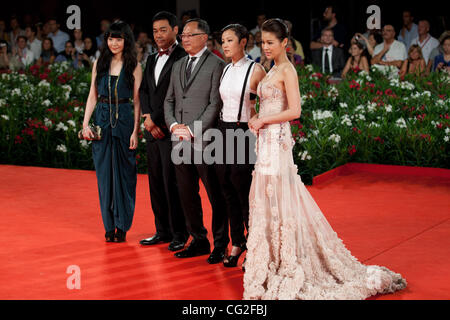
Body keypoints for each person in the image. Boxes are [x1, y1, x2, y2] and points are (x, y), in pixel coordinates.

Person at [244, 18, 407, 300]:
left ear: (285, 43)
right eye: (263, 42)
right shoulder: (270, 69)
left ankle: (288, 258)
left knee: (279, 193)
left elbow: (295, 110)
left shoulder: (287, 70)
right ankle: (271, 259)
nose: (266, 47)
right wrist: (256, 115)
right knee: (267, 195)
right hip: (266, 140)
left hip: (278, 140)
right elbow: (267, 102)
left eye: (271, 42)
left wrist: (263, 118)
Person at [164, 18, 229, 264]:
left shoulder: (217, 65)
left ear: (204, 37)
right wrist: (173, 126)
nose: (185, 39)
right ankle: (198, 239)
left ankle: (221, 244)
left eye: (190, 35)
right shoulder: (179, 64)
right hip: (179, 141)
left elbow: (215, 104)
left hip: (205, 141)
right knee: (186, 193)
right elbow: (169, 100)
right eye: (183, 36)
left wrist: (191, 130)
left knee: (215, 194)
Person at [82, 21, 142, 243]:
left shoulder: (134, 65)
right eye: (110, 38)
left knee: (125, 176)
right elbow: (92, 95)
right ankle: (108, 226)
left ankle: (122, 225)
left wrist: (136, 131)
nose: (114, 43)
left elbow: (137, 102)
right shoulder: (99, 63)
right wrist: (85, 123)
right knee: (104, 176)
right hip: (102, 122)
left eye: (118, 39)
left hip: (125, 121)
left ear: (126, 41)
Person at [217, 24, 266, 268]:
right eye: (222, 41)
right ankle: (237, 242)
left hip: (243, 132)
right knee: (226, 187)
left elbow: (267, 105)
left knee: (244, 190)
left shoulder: (256, 69)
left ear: (243, 42)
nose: (224, 45)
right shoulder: (226, 69)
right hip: (224, 131)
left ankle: (254, 247)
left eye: (229, 40)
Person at [138, 11, 188, 252]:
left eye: (163, 30)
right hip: (152, 129)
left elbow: (175, 95)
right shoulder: (150, 58)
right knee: (155, 182)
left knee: (173, 184)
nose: (158, 34)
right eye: (155, 30)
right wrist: (148, 119)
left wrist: (156, 120)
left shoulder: (183, 57)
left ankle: (180, 232)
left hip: (171, 129)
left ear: (175, 30)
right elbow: (145, 91)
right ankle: (162, 230)